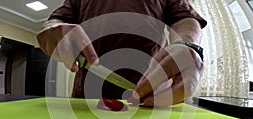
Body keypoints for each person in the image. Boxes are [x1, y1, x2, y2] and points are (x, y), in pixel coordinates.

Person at [37, 0, 207, 107]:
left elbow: (186, 19)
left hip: (153, 100)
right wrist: (51, 28)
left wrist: (187, 45)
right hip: (85, 102)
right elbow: (56, 20)